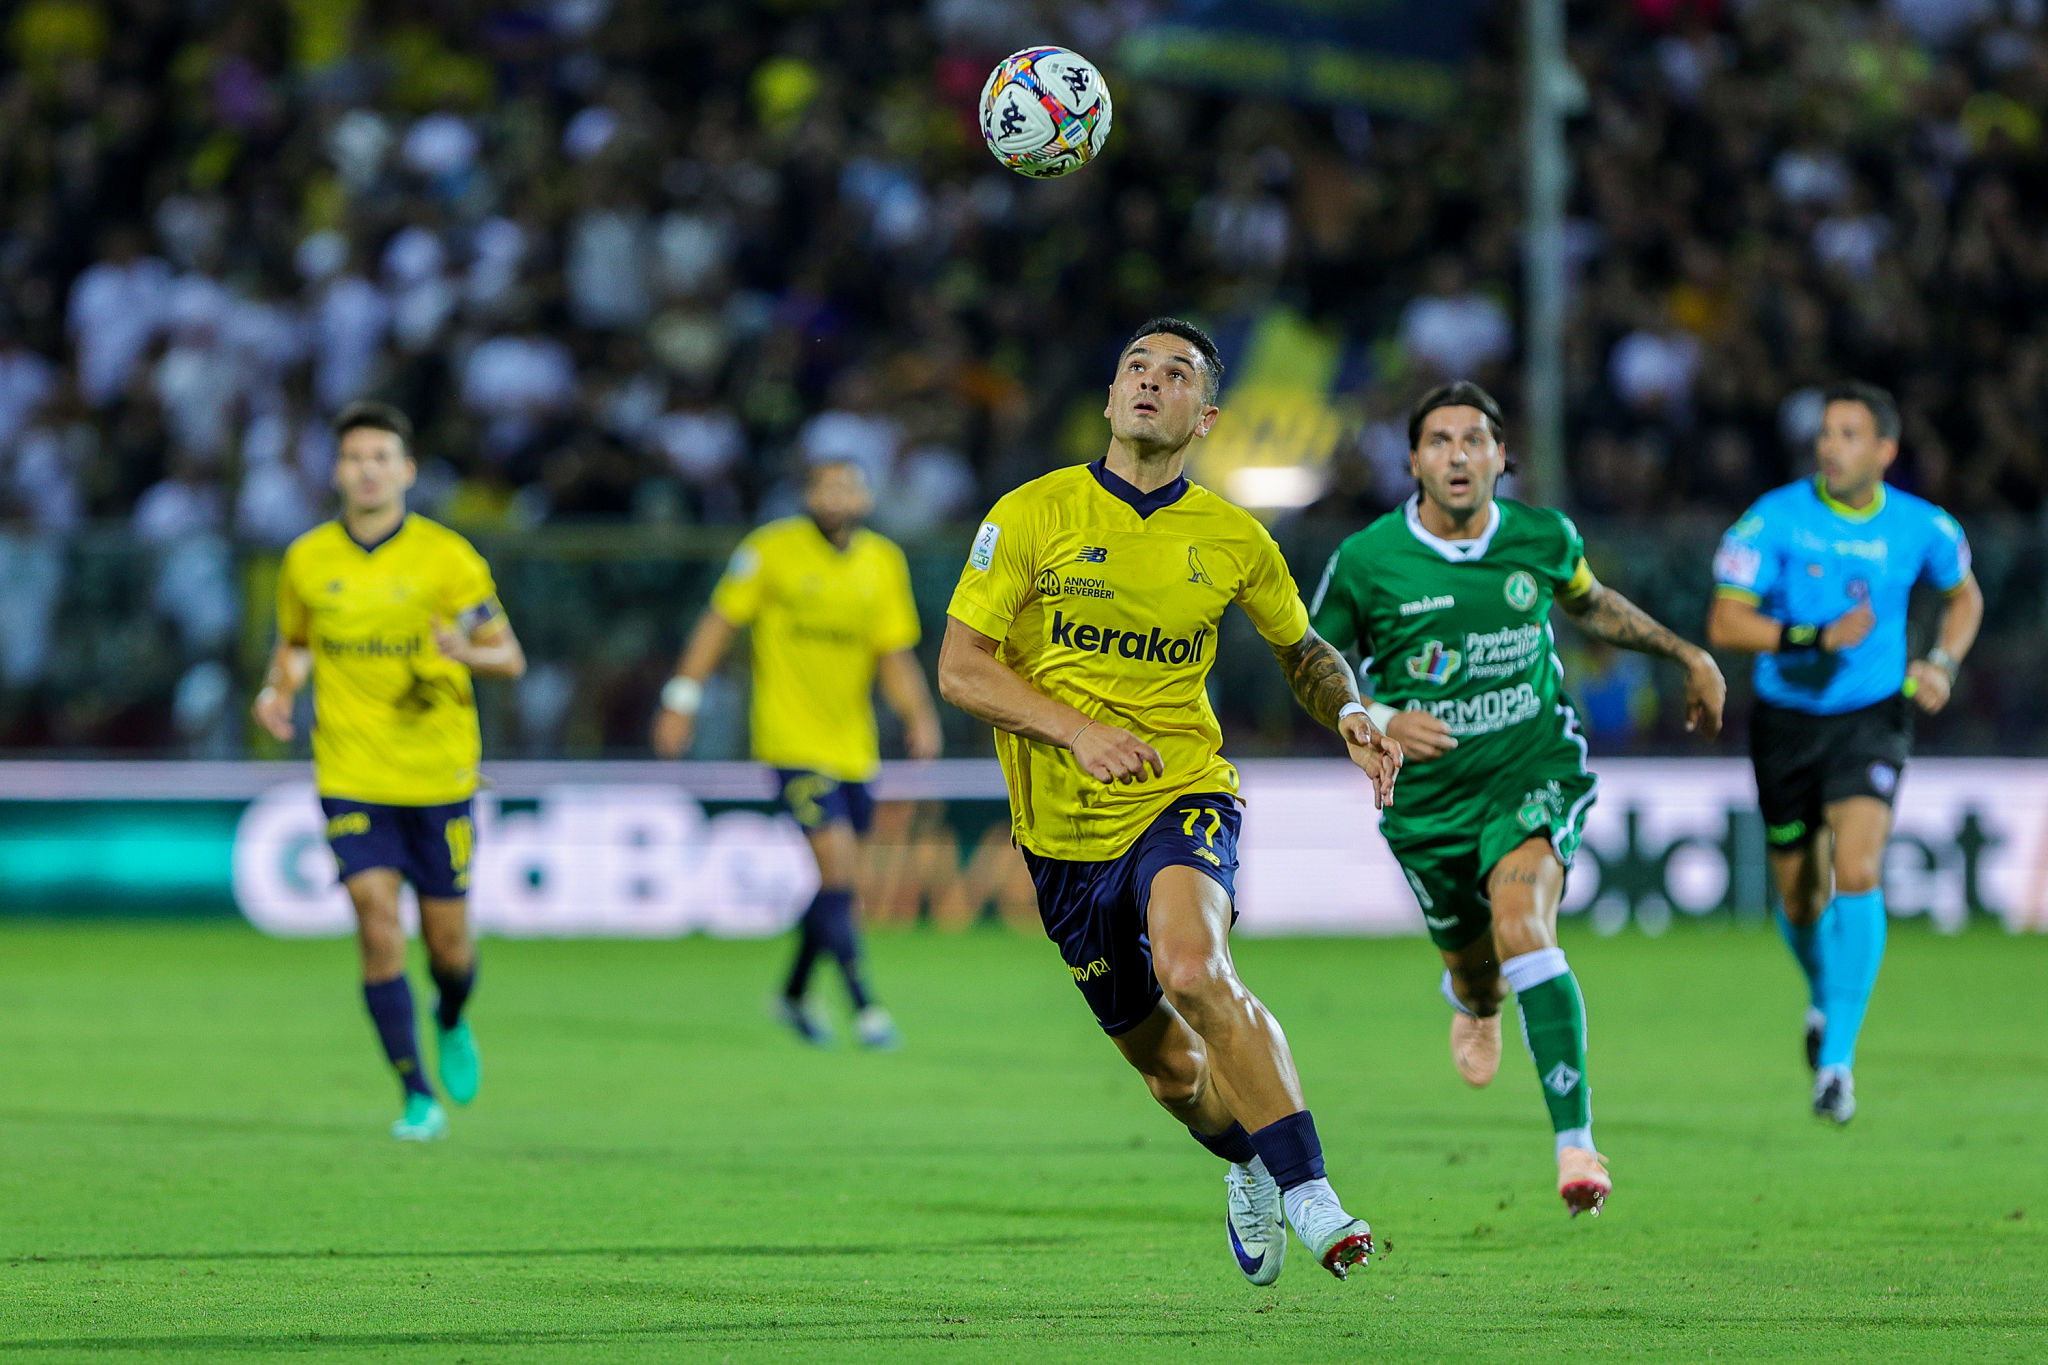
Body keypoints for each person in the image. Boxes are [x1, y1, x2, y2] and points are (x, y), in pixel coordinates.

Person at [938, 319, 1403, 1284]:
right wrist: (1075, 730)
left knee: (1196, 968)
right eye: (1134, 369)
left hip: (1180, 791)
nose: (1151, 383)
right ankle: (1248, 1164)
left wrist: (1351, 710)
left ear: (1205, 415)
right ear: (1110, 400)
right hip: (1062, 838)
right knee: (1174, 1074)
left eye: (1176, 373)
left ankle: (1310, 1190)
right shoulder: (1030, 514)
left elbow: (1302, 650)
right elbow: (959, 670)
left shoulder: (1234, 537)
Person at [1309, 381, 1725, 1217]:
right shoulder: (1366, 560)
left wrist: (1688, 654)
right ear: (1414, 461)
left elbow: (1592, 602)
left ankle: (1576, 1142)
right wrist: (1382, 716)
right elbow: (1315, 663)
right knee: (1480, 967)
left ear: (1503, 458)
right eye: (1439, 440)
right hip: (1426, 800)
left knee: (1523, 923)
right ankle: (1474, 997)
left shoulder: (1542, 538)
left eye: (1475, 440)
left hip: (1529, 769)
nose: (1458, 455)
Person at [1707, 381, 1981, 1124]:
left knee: (1857, 867)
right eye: (1827, 433)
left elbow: (1965, 597)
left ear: (1885, 450)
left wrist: (1942, 663)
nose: (1831, 446)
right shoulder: (1775, 520)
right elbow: (1726, 621)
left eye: (1849, 434)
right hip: (1787, 722)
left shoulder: (1924, 527)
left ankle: (1837, 1064)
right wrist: (1811, 637)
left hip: (1872, 716)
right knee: (1798, 895)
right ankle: (1826, 998)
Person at [253, 400, 526, 1141]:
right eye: (353, 457)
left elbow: (509, 655)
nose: (366, 469)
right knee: (376, 922)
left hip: (437, 776)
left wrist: (466, 653)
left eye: (381, 457)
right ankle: (416, 1093)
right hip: (351, 772)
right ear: (336, 471)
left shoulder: (449, 559)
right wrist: (279, 688)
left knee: (448, 946)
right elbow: (299, 642)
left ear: (406, 470)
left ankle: (452, 1015)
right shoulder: (307, 558)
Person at [653, 459, 942, 1049]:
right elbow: (718, 624)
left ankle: (790, 994)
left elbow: (893, 652)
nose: (834, 497)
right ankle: (866, 1006)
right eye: (823, 486)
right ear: (806, 494)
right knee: (837, 870)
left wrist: (918, 715)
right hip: (790, 740)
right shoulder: (769, 550)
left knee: (837, 882)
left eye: (846, 486)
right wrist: (681, 698)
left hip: (853, 748)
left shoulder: (882, 561)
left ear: (864, 497)